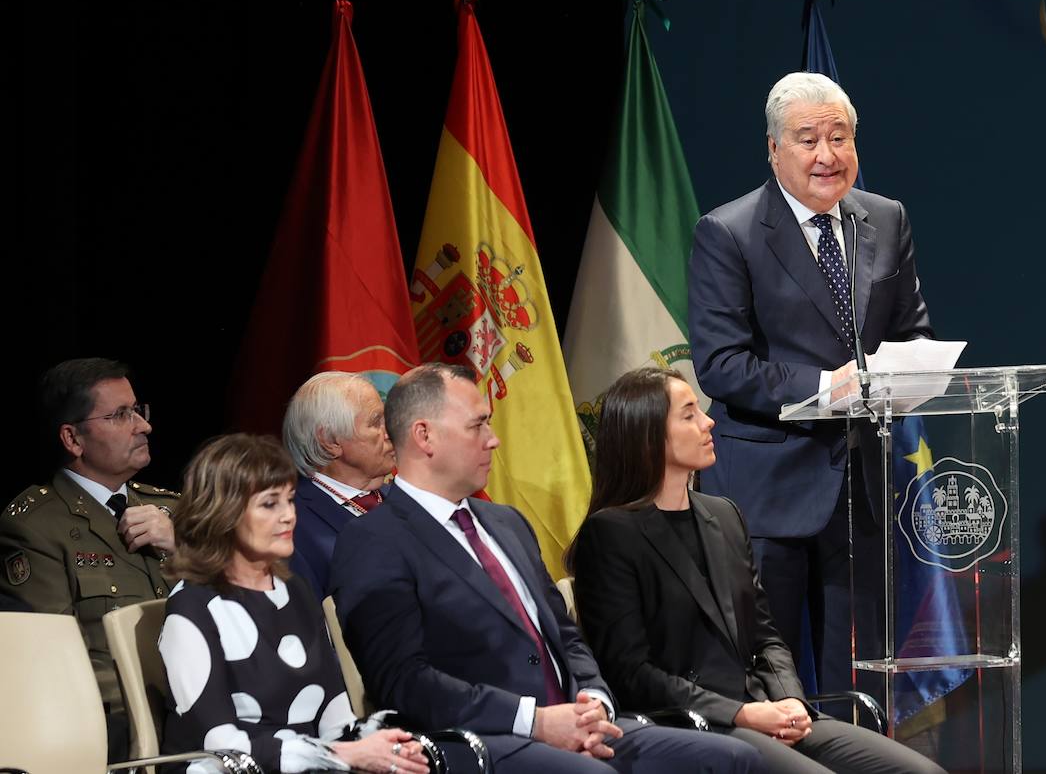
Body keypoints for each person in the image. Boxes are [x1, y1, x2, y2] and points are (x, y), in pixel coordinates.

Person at [328, 362, 762, 774]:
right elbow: (404, 681)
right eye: (478, 425)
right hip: (479, 740)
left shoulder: (506, 523)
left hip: (575, 726)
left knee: (732, 759)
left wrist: (593, 700)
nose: (493, 439)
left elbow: (567, 636)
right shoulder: (374, 540)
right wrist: (535, 721)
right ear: (425, 436)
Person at [569, 367, 947, 774]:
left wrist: (790, 701)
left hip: (761, 709)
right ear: (647, 436)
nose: (708, 421)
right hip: (691, 723)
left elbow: (766, 636)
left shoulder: (723, 515)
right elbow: (632, 674)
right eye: (689, 414)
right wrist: (741, 714)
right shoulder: (610, 534)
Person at [688, 71, 933, 693]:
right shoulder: (729, 233)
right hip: (768, 495)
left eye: (840, 137)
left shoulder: (887, 218)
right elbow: (721, 364)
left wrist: (917, 364)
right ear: (774, 149)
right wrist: (826, 387)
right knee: (771, 679)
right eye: (807, 139)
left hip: (866, 490)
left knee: (856, 681)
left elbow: (911, 331)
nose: (827, 155)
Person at [158, 433, 429, 774]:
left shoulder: (295, 589)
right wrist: (340, 756)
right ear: (224, 512)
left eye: (289, 500)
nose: (288, 515)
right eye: (270, 504)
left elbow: (335, 714)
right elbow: (219, 742)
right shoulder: (192, 606)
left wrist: (384, 745)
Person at [1, 357, 179, 761]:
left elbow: (237, 611)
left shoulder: (174, 511)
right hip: (119, 731)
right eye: (120, 415)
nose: (143, 425)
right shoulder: (36, 526)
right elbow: (50, 662)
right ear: (72, 439)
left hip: (203, 711)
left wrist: (182, 548)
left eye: (138, 410)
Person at [282, 371, 395, 599]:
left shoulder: (408, 497)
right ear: (331, 441)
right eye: (376, 422)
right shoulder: (289, 521)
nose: (390, 431)